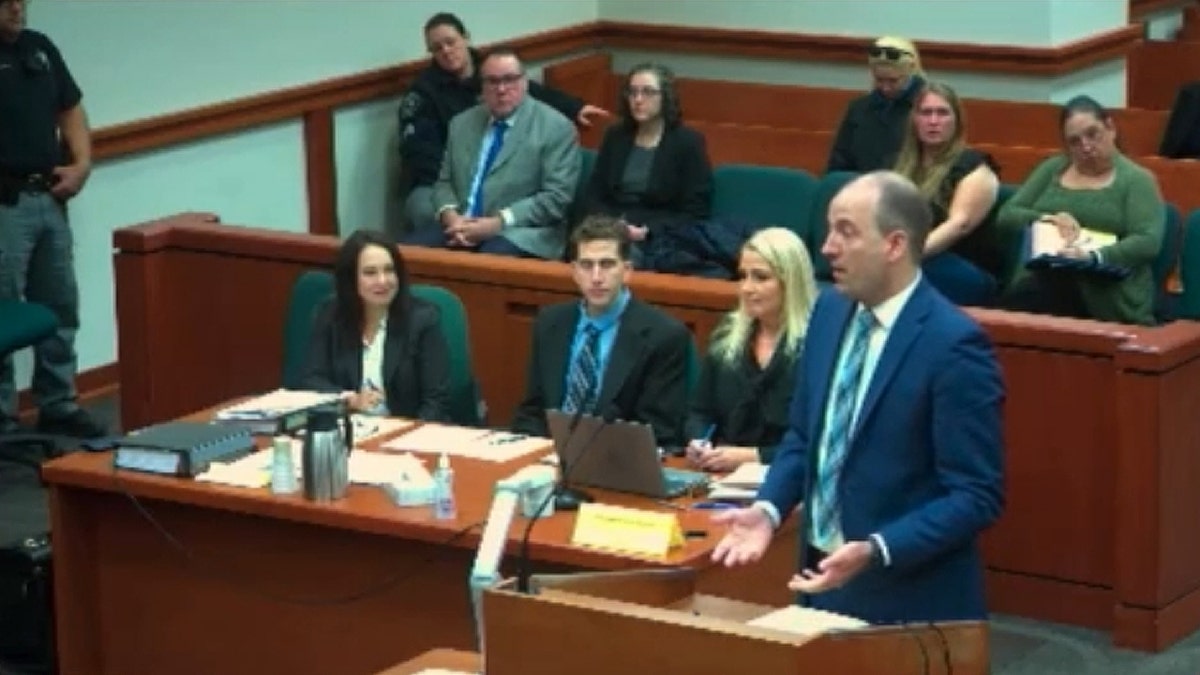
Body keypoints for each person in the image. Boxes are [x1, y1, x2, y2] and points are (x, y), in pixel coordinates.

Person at [711, 172, 1005, 624]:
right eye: (829, 230)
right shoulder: (828, 312)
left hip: (908, 597)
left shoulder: (954, 344)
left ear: (894, 245)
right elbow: (805, 436)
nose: (827, 247)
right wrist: (769, 509)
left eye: (846, 232)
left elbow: (975, 494)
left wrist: (878, 549)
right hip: (819, 578)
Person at [0, 0, 105, 438]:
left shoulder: (38, 49)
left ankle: (58, 402)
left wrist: (82, 164)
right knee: (3, 313)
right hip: (5, 203)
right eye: (6, 3)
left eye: (21, 1)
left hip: (50, 196)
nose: (17, 9)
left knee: (60, 304)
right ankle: (2, 419)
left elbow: (71, 108)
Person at [399, 12, 608, 231]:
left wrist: (575, 107)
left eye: (450, 42)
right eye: (437, 48)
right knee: (423, 211)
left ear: (466, 38)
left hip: (501, 185)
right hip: (449, 180)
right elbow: (421, 155)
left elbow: (532, 92)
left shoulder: (491, 67)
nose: (446, 51)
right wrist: (454, 208)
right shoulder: (424, 94)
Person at [511, 215, 690, 447]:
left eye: (606, 264)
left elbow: (657, 431)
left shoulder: (663, 335)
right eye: (587, 265)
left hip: (617, 462)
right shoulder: (550, 323)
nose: (596, 278)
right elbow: (532, 411)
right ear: (574, 272)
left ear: (626, 271)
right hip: (548, 458)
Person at [998, 96, 1165, 326]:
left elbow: (1148, 241)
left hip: (1103, 289)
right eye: (1075, 141)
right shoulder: (1053, 168)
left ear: (1111, 128)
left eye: (1092, 134)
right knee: (1035, 292)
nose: (1086, 146)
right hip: (1043, 276)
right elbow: (1007, 215)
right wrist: (1047, 219)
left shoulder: (1137, 180)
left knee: (1035, 298)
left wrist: (1093, 257)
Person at [405, 47, 581, 261]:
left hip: (522, 231)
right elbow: (444, 181)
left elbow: (557, 198)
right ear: (482, 86)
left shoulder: (555, 127)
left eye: (510, 80)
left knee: (488, 261)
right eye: (493, 81)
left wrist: (498, 222)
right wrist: (450, 215)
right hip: (460, 224)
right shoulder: (461, 123)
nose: (502, 89)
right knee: (403, 254)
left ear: (525, 82)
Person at [684, 228, 818, 472]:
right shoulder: (728, 335)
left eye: (761, 277)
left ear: (791, 282)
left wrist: (752, 456)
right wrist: (698, 441)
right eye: (743, 276)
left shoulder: (818, 345)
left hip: (785, 480)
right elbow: (700, 411)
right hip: (720, 476)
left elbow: (815, 441)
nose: (746, 288)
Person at [302, 230, 451, 421]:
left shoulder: (422, 320)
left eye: (389, 270)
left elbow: (436, 403)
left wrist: (401, 440)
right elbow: (311, 380)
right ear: (351, 278)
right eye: (370, 273)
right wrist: (349, 400)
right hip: (348, 431)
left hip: (405, 437)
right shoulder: (331, 315)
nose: (383, 281)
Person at [584, 63, 713, 268]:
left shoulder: (687, 143)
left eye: (648, 92)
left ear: (666, 97)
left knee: (617, 260)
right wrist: (609, 225)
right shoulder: (615, 136)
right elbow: (595, 193)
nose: (638, 100)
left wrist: (647, 230)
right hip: (609, 228)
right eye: (632, 92)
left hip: (657, 236)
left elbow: (694, 212)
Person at [892, 82, 1002, 306]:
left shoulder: (974, 168)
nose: (933, 121)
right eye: (926, 113)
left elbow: (957, 225)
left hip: (962, 268)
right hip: (912, 260)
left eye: (942, 113)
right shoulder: (902, 165)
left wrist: (904, 255)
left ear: (957, 121)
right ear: (915, 119)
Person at [826, 36, 926, 174]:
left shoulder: (927, 109)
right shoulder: (858, 109)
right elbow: (838, 164)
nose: (885, 88)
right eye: (879, 80)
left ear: (910, 72)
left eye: (893, 81)